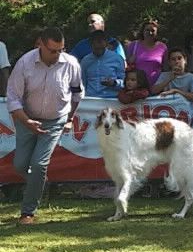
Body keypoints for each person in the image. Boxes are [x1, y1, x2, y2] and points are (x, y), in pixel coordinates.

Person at [6, 27, 83, 225]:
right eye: (53, 50)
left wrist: (68, 120)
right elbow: (13, 98)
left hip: (55, 120)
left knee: (39, 165)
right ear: (41, 44)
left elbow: (77, 94)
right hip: (26, 118)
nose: (57, 55)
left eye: (61, 50)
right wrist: (26, 121)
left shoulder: (71, 64)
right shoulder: (24, 63)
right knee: (20, 165)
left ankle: (27, 213)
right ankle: (40, 182)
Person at [80, 30, 125, 98]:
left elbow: (125, 83)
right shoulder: (85, 61)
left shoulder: (117, 59)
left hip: (111, 99)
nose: (98, 48)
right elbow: (82, 83)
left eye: (101, 47)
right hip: (91, 100)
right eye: (96, 48)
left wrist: (114, 83)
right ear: (91, 44)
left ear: (106, 43)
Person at [125, 19, 168, 87]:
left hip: (157, 86)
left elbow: (165, 68)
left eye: (153, 31)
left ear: (157, 33)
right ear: (143, 31)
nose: (150, 33)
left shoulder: (162, 47)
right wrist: (130, 61)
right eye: (147, 30)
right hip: (137, 86)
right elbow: (125, 66)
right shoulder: (133, 45)